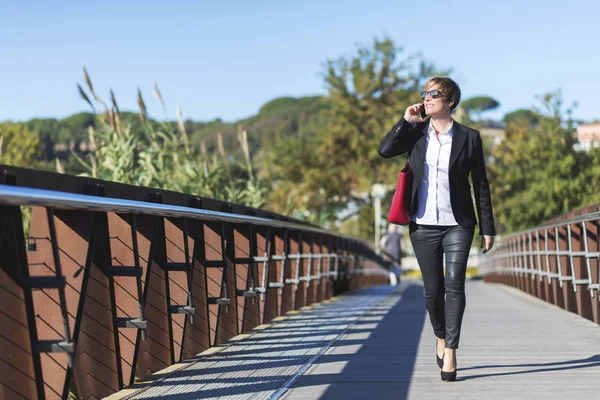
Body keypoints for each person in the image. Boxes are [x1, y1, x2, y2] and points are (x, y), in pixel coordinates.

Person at [378, 77, 495, 382]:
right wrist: (405, 120)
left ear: (451, 101)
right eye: (425, 94)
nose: (426, 99)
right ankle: (440, 336)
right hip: (423, 223)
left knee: (455, 283)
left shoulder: (470, 137)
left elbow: (480, 185)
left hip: (459, 223)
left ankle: (452, 351)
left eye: (434, 94)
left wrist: (488, 227)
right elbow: (385, 149)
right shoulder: (416, 134)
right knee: (433, 292)